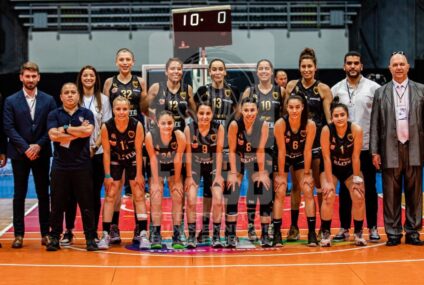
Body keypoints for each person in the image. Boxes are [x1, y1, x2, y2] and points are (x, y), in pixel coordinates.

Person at [370, 52, 424, 246]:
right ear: (390, 68)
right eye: (395, 65)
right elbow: (375, 124)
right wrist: (375, 151)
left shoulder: (421, 90)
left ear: (408, 67)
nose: (399, 67)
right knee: (390, 193)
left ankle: (413, 231)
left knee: (415, 193)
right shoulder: (381, 92)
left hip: (414, 147)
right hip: (389, 148)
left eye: (402, 64)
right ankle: (393, 233)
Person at [3, 62, 56, 249]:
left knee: (44, 194)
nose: (31, 79)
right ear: (21, 77)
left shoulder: (49, 100)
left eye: (34, 76)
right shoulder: (11, 101)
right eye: (27, 76)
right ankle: (18, 235)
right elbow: (9, 128)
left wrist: (38, 146)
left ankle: (45, 234)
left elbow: (51, 127)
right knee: (19, 195)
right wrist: (26, 148)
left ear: (39, 77)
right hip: (19, 154)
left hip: (41, 153)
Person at [331, 51, 381, 243]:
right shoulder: (336, 90)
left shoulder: (374, 88)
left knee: (368, 188)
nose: (352, 66)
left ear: (361, 66)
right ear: (344, 66)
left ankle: (373, 227)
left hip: (366, 147)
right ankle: (344, 227)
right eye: (349, 63)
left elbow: (379, 120)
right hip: (343, 150)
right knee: (345, 190)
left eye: (356, 63)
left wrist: (377, 149)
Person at [60, 65, 112, 246]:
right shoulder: (74, 97)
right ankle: (68, 231)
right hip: (75, 153)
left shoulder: (103, 100)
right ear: (80, 78)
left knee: (93, 195)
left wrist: (95, 146)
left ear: (96, 78)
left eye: (91, 75)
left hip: (97, 153)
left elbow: (105, 127)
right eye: (85, 75)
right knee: (71, 194)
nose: (88, 78)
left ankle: (93, 231)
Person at [285, 48, 332, 241]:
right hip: (296, 144)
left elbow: (329, 120)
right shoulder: (291, 87)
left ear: (315, 68)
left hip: (316, 144)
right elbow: (285, 115)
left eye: (309, 66)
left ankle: (322, 227)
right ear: (299, 68)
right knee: (297, 186)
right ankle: (294, 227)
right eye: (303, 66)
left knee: (318, 187)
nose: (306, 69)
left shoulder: (323, 89)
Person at [146, 57, 196, 241]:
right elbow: (144, 107)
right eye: (173, 69)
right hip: (159, 139)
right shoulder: (156, 88)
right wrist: (157, 120)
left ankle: (178, 229)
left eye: (179, 69)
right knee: (156, 191)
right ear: (166, 71)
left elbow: (194, 110)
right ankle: (155, 230)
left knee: (178, 190)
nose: (176, 71)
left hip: (179, 141)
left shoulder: (187, 89)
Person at [46, 82, 98, 251]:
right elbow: (53, 135)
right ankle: (54, 237)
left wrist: (66, 129)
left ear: (78, 95)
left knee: (86, 204)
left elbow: (88, 132)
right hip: (60, 166)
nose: (70, 95)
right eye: (66, 92)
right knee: (57, 204)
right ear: (61, 96)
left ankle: (90, 238)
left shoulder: (86, 113)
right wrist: (78, 131)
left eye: (73, 92)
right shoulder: (54, 113)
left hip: (82, 166)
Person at [103, 48, 147, 244]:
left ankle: (140, 229)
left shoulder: (141, 82)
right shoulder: (109, 83)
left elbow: (145, 109)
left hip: (134, 134)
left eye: (128, 59)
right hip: (114, 134)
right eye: (121, 59)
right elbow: (105, 110)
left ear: (133, 61)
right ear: (116, 62)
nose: (125, 62)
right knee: (115, 188)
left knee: (137, 187)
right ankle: (113, 228)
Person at [193, 58, 239, 243]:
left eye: (221, 69)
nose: (218, 72)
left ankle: (229, 233)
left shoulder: (234, 92)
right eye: (214, 69)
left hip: (227, 146)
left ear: (225, 72)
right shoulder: (202, 92)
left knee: (227, 190)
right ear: (210, 72)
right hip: (207, 147)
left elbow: (236, 116)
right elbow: (197, 116)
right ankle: (204, 230)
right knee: (207, 192)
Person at [98, 96, 149, 250]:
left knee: (139, 194)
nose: (121, 112)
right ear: (113, 110)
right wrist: (107, 175)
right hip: (115, 160)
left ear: (129, 110)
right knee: (110, 194)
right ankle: (106, 234)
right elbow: (106, 152)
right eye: (118, 109)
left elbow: (139, 151)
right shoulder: (107, 126)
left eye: (124, 109)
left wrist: (139, 174)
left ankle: (143, 233)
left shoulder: (137, 125)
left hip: (133, 159)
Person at [242, 59, 285, 242]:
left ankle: (269, 229)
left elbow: (285, 116)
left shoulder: (280, 91)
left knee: (271, 186)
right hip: (254, 143)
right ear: (257, 72)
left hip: (274, 144)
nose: (264, 71)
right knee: (254, 185)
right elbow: (242, 115)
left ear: (271, 71)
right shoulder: (249, 91)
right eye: (261, 68)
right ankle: (251, 227)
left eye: (267, 68)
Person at [319, 97, 367, 247]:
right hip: (331, 168)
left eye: (342, 115)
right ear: (332, 117)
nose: (339, 118)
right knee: (328, 195)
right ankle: (326, 233)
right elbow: (326, 157)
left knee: (359, 195)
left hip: (349, 169)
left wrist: (357, 179)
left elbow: (356, 156)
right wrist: (327, 182)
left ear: (347, 116)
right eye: (336, 115)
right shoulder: (327, 130)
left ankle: (358, 233)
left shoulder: (356, 130)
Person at [226, 97, 272, 248]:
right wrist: (233, 172)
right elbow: (232, 151)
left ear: (257, 111)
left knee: (262, 188)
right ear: (241, 110)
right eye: (246, 110)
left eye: (252, 110)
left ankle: (263, 233)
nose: (249, 113)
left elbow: (260, 151)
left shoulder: (263, 125)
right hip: (238, 158)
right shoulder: (234, 125)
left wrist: (262, 172)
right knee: (233, 188)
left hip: (255, 158)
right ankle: (231, 234)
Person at [273, 95, 317, 247]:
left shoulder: (310, 125)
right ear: (286, 108)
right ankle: (277, 233)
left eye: (297, 107)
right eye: (291, 107)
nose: (294, 110)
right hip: (283, 156)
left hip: (300, 157)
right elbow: (281, 150)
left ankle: (311, 233)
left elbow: (307, 150)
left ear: (303, 107)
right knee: (280, 190)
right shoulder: (280, 124)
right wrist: (280, 176)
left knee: (307, 189)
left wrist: (306, 174)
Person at [184, 100, 225, 248]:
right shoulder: (189, 129)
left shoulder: (218, 128)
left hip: (213, 167)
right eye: (201, 113)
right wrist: (188, 176)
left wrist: (219, 174)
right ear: (196, 114)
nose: (204, 116)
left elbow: (219, 153)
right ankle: (191, 236)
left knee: (219, 199)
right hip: (195, 167)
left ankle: (216, 236)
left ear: (212, 114)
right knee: (191, 200)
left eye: (208, 113)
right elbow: (187, 154)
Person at [145, 111, 186, 249]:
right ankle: (156, 232)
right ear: (158, 124)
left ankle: (177, 233)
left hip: (174, 166)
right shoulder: (150, 136)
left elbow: (178, 159)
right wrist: (156, 182)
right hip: (157, 165)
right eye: (163, 123)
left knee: (177, 195)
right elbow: (152, 159)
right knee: (156, 195)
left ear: (174, 123)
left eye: (169, 123)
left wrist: (177, 181)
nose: (167, 126)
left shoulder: (179, 136)